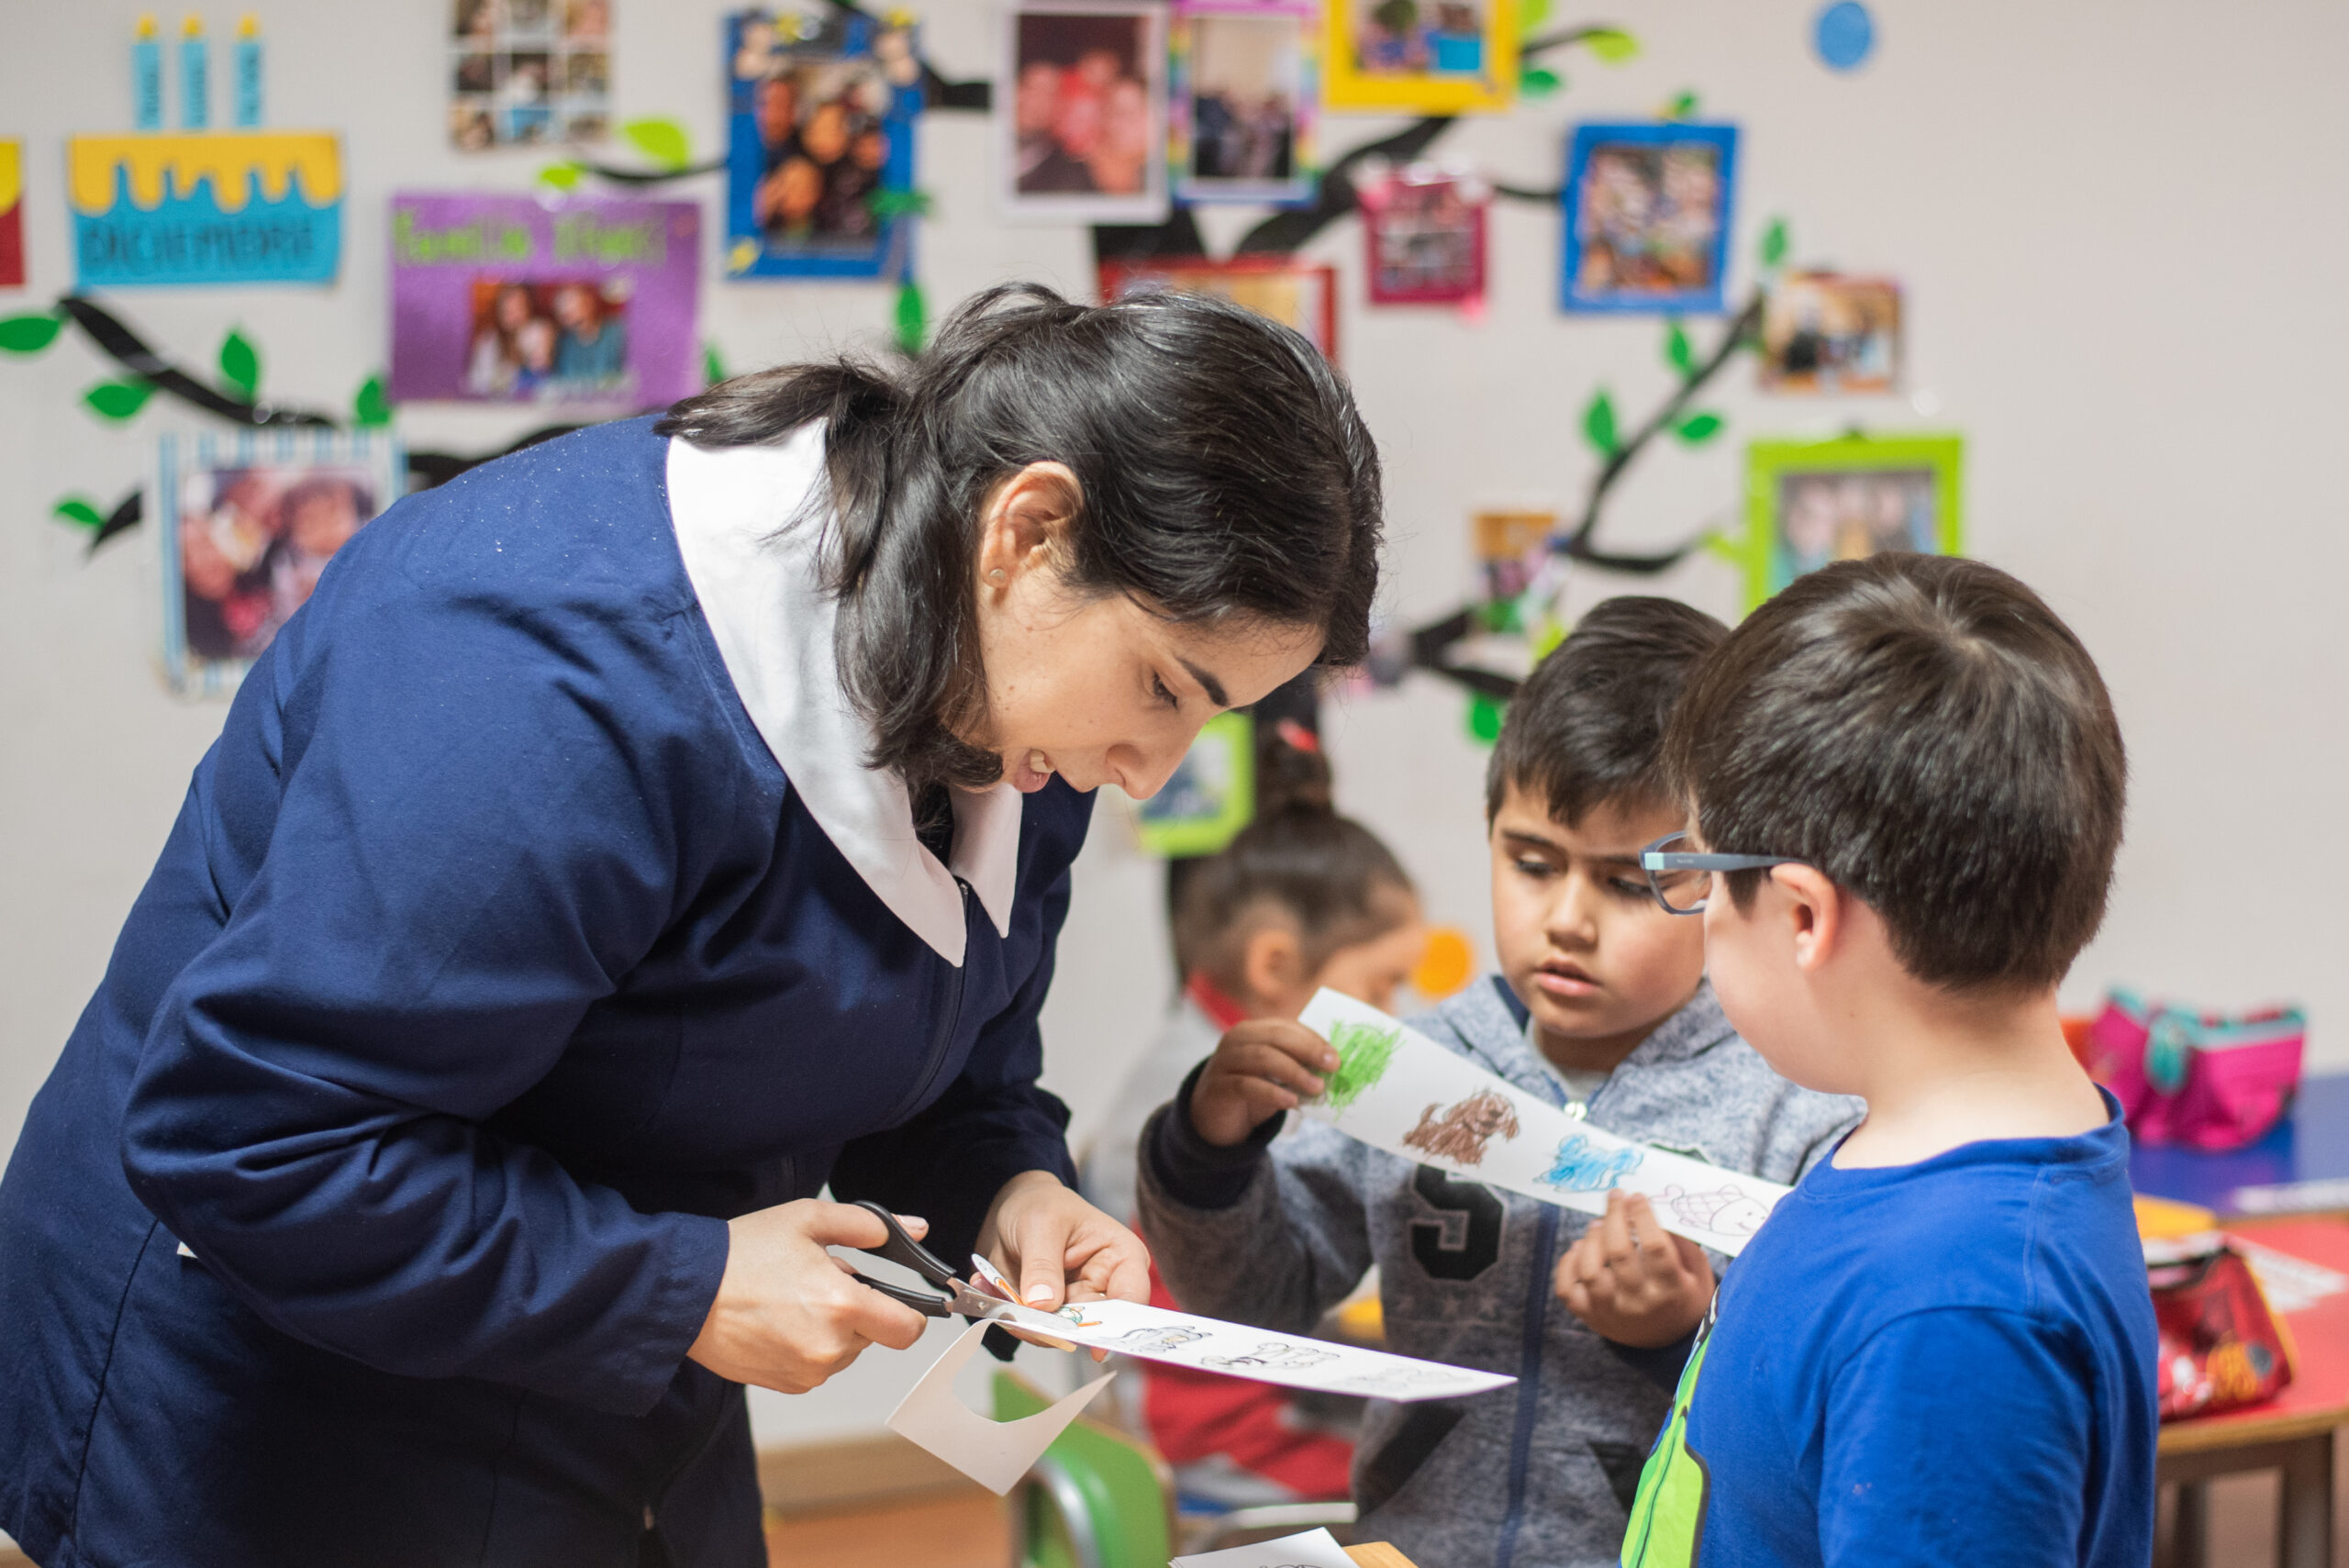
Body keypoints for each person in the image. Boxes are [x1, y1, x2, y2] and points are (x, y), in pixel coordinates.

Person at [0, 283, 1386, 1568]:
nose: (1153, 770)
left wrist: (1009, 1184)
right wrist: (680, 1283)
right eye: (1162, 687)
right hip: (281, 1381)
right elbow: (253, 1135)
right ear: (1028, 532)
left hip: (619, 1363)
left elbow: (931, 1056)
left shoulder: (1023, 722)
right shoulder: (556, 675)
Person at [1137, 598, 1862, 1568]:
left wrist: (1681, 1333)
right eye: (1530, 861)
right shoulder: (1410, 1066)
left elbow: (1810, 1423)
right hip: (1410, 1546)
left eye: (1624, 881)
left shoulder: (1797, 1107)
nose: (1565, 917)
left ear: (1725, 879)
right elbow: (1258, 1294)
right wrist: (1209, 1145)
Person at [1619, 554, 2156, 1567]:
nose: (1690, 912)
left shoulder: (1956, 1314)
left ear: (1801, 913)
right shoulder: (1912, 1156)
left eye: (1693, 873)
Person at [550, 281, 628, 387]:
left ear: (590, 303)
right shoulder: (564, 346)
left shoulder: (618, 331)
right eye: (565, 315)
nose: (571, 319)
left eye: (574, 306)